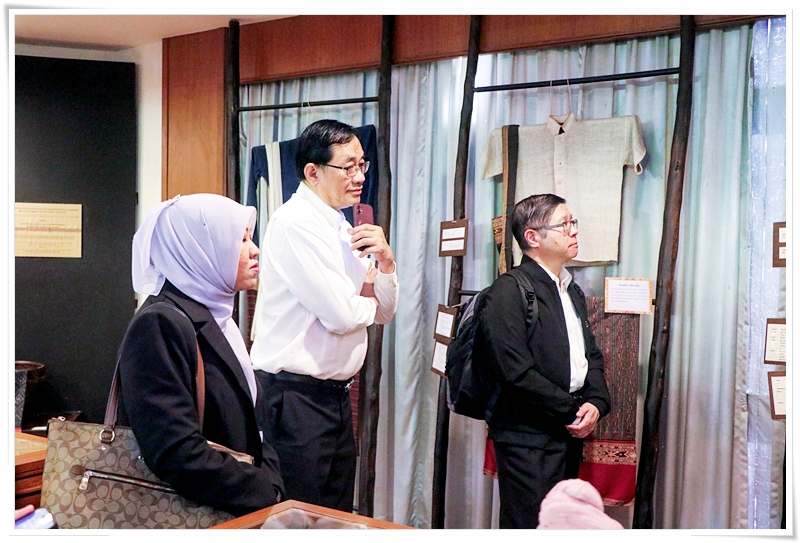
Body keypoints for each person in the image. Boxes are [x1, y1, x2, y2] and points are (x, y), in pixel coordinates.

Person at [250, 119, 399, 512]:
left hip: (333, 397)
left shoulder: (342, 224)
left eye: (362, 165)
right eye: (347, 167)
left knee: (334, 516)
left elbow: (384, 312)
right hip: (294, 399)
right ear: (313, 172)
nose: (359, 176)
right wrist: (363, 300)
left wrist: (386, 263)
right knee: (299, 518)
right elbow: (342, 316)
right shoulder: (295, 222)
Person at [117, 193, 284, 517]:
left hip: (235, 508)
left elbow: (254, 423)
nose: (254, 250)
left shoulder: (218, 317)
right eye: (241, 240)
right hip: (193, 515)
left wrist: (272, 483)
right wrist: (263, 490)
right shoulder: (161, 323)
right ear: (199, 249)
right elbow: (175, 451)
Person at [479, 193, 611, 528]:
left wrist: (596, 402)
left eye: (573, 223)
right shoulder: (508, 291)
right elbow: (514, 371)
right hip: (527, 438)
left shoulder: (570, 289)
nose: (574, 231)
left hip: (566, 432)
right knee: (530, 525)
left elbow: (590, 355)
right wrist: (572, 410)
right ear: (533, 237)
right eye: (564, 225)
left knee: (561, 526)